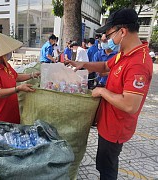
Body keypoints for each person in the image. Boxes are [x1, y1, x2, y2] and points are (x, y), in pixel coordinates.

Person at [64, 8, 153, 179]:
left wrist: (102, 91)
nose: (106, 39)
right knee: (103, 162)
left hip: (116, 126)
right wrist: (82, 64)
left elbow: (130, 105)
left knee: (107, 167)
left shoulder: (138, 64)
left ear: (123, 31)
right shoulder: (124, 54)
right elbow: (105, 67)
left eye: (109, 34)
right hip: (107, 121)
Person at [0, 31, 40, 125]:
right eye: (5, 52)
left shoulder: (5, 64)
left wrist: (32, 75)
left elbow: (15, 77)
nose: (8, 54)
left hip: (12, 111)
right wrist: (18, 88)